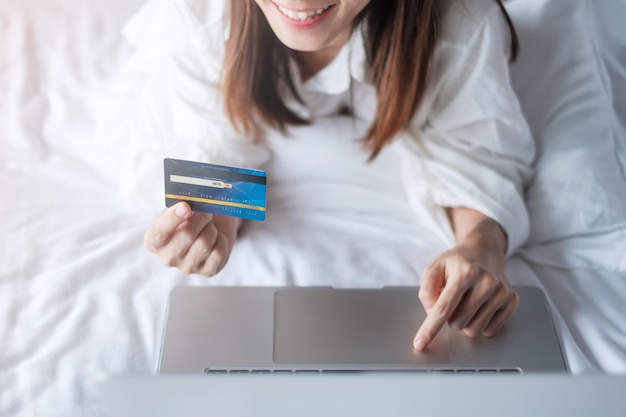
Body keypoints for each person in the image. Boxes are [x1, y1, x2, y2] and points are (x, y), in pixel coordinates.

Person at [96, 0, 535, 352]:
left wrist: (481, 247)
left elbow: (478, 157)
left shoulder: (461, 22)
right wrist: (218, 218)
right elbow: (215, 138)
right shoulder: (203, 13)